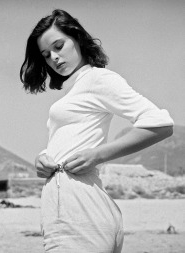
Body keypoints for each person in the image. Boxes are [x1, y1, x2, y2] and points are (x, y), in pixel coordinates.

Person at [20, 9, 174, 253]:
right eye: (47, 55)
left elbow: (160, 124)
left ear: (77, 38)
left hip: (80, 210)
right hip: (73, 209)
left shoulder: (97, 79)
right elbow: (69, 138)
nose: (55, 58)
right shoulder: (77, 88)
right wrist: (43, 157)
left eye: (59, 46)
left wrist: (98, 154)